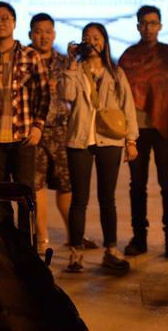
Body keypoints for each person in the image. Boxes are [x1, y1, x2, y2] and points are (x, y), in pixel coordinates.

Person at [119, 5, 168, 258]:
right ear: (138, 26)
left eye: (153, 23)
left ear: (160, 26)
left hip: (164, 127)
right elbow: (120, 92)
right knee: (137, 185)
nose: (148, 28)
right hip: (136, 130)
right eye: (144, 23)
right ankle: (139, 237)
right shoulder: (128, 57)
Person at [60, 23, 139, 273]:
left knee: (107, 198)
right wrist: (71, 63)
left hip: (110, 139)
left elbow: (128, 106)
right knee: (79, 200)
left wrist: (131, 140)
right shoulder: (76, 68)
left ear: (104, 41)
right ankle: (76, 252)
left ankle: (111, 250)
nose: (92, 41)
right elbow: (66, 95)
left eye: (96, 37)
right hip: (80, 139)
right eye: (87, 37)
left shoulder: (115, 72)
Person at [0, 1, 50, 234]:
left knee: (26, 195)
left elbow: (44, 93)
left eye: (5, 18)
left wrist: (38, 126)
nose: (0, 23)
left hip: (24, 136)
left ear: (14, 23)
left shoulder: (30, 56)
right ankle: (4, 242)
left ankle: (26, 245)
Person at [28, 13, 93, 253]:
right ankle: (42, 238)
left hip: (63, 131)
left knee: (66, 186)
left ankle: (74, 235)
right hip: (33, 132)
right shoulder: (24, 61)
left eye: (48, 32)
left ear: (54, 34)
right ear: (30, 34)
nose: (43, 37)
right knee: (36, 186)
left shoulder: (66, 62)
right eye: (38, 32)